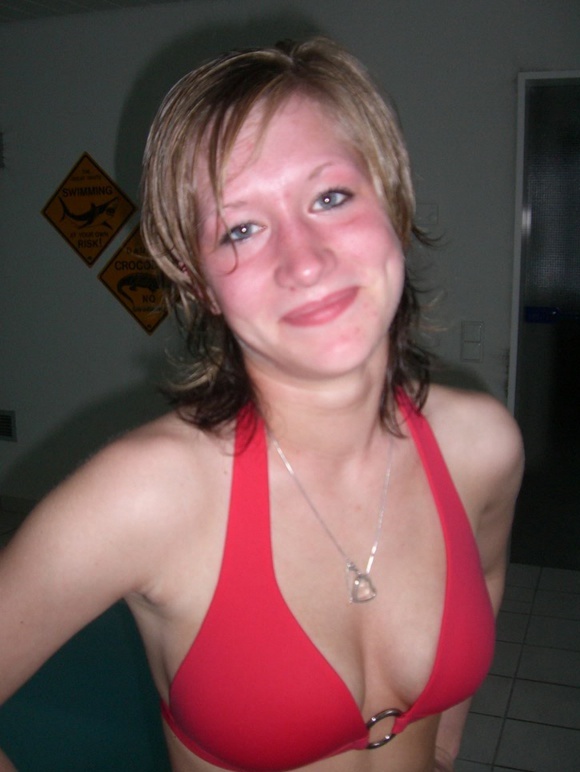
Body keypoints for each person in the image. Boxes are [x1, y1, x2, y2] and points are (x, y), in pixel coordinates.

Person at [0, 37, 523, 772]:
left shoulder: (483, 445)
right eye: (240, 229)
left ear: (392, 201)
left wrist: (442, 748)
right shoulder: (145, 495)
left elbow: (487, 579)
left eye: (330, 197)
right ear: (200, 283)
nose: (304, 261)